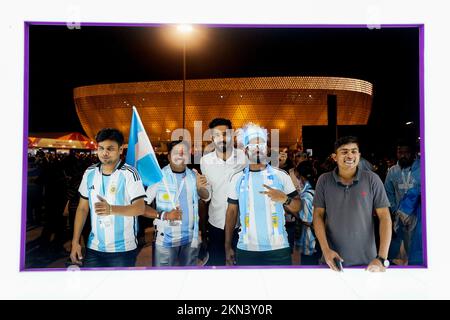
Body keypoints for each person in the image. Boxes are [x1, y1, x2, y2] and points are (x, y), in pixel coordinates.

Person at [225, 123, 301, 266]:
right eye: (253, 146)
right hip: (246, 249)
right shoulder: (237, 178)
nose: (257, 149)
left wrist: (285, 199)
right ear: (246, 151)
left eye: (261, 145)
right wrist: (227, 246)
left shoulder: (281, 176)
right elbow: (231, 213)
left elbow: (297, 207)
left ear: (267, 149)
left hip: (278, 249)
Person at [312, 136, 392, 272]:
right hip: (332, 261)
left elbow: (384, 217)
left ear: (359, 155)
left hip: (368, 263)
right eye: (344, 152)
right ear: (334, 157)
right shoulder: (324, 181)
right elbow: (318, 216)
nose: (350, 155)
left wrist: (381, 258)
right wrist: (326, 251)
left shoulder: (372, 179)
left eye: (354, 151)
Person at [70, 128, 146, 268]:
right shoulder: (90, 172)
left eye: (110, 149)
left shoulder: (129, 173)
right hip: (94, 246)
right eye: (101, 148)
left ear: (120, 149)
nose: (104, 153)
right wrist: (75, 241)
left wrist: (111, 209)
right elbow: (82, 208)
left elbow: (140, 208)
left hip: (123, 249)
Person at [144, 140, 209, 266]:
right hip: (165, 240)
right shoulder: (158, 177)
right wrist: (164, 215)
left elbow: (206, 197)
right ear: (168, 156)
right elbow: (141, 206)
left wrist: (201, 188)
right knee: (164, 280)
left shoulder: (193, 175)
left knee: (188, 279)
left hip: (190, 239)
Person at [199, 118, 247, 265]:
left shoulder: (243, 157)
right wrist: (200, 188)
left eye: (225, 134)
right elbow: (207, 196)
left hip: (241, 224)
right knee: (217, 265)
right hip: (216, 223)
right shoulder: (205, 161)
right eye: (217, 135)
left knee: (241, 267)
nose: (222, 138)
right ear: (212, 138)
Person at [384, 139, 422, 265]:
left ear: (413, 153)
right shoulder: (392, 171)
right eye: (400, 152)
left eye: (406, 152)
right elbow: (388, 193)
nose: (403, 155)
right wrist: (395, 210)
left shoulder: (422, 168)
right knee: (398, 248)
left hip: (418, 216)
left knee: (416, 246)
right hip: (398, 217)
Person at [294, 160, 321, 265]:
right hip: (318, 239)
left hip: (310, 241)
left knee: (309, 267)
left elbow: (307, 220)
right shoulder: (318, 188)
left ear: (302, 177)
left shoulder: (306, 195)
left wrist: (291, 209)